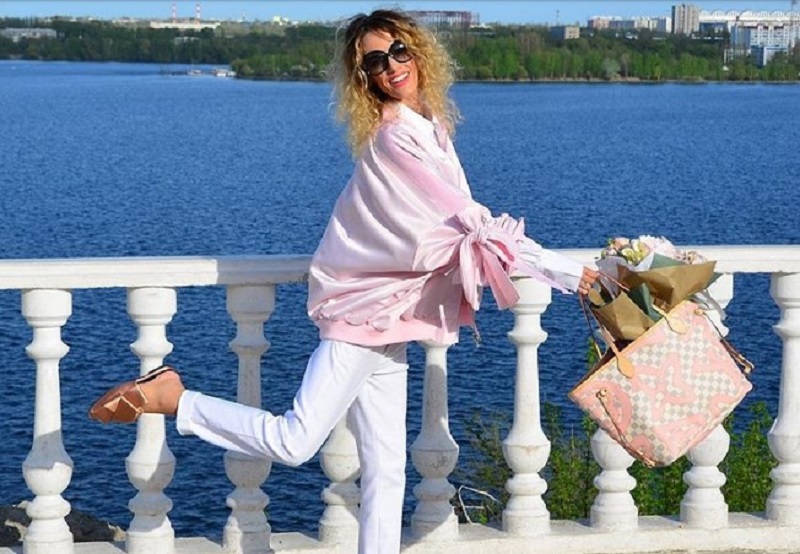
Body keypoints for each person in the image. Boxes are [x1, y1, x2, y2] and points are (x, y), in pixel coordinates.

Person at [89, 9, 599, 554]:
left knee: (387, 469)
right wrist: (572, 274)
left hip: (394, 318)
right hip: (362, 315)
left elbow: (461, 226)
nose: (392, 66)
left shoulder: (431, 128)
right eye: (375, 61)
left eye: (398, 50)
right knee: (295, 440)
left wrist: (569, 272)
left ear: (418, 51)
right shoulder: (395, 139)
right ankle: (174, 398)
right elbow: (474, 226)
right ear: (365, 78)